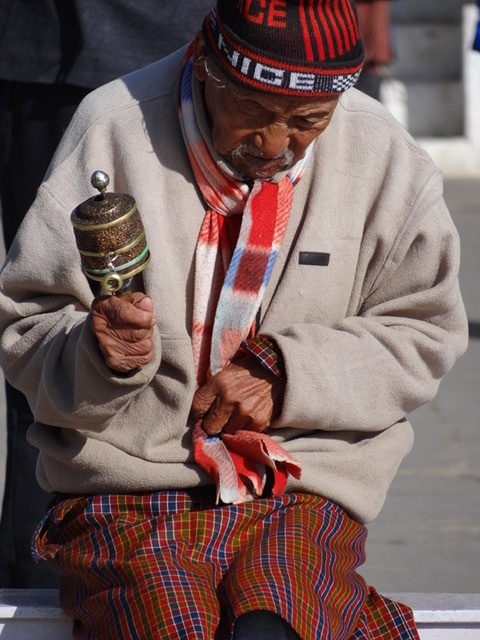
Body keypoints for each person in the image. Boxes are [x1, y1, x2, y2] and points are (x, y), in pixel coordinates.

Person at [0, 0, 468, 637]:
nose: (275, 144)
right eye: (251, 111)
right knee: (169, 621)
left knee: (274, 619)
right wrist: (100, 354)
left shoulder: (382, 153)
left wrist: (288, 371)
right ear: (203, 66)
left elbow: (423, 329)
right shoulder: (111, 125)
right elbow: (29, 324)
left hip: (301, 482)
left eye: (307, 121)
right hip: (132, 487)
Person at [0, 0, 213, 588]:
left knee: (178, 331)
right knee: (53, 354)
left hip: (183, 72)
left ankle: (170, 550)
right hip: (44, 59)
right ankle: (39, 575)